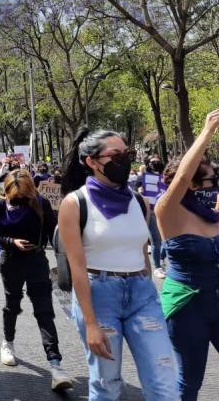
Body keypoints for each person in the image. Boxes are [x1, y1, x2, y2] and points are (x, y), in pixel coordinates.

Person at [58, 129, 179, 400]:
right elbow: (77, 267)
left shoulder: (140, 201)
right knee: (107, 385)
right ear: (92, 161)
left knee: (165, 382)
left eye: (127, 154)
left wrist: (148, 288)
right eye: (115, 155)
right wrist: (90, 323)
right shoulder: (75, 203)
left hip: (142, 295)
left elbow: (142, 253)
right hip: (99, 296)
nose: (123, 160)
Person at [0, 169, 72, 391]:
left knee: (44, 311)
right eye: (16, 198)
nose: (21, 201)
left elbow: (54, 232)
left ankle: (56, 365)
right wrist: (11, 241)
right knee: (12, 304)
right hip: (10, 261)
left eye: (25, 197)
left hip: (36, 261)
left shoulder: (41, 203)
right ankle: (8, 343)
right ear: (7, 192)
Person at [155, 110, 219, 401]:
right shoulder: (167, 212)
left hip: (216, 299)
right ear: (191, 185)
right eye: (207, 180)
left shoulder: (214, 213)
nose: (213, 186)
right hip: (186, 306)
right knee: (190, 381)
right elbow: (181, 177)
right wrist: (206, 133)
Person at [138, 155, 168, 279]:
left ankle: (160, 258)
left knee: (165, 240)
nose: (156, 163)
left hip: (165, 212)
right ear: (148, 163)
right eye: (153, 161)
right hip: (150, 212)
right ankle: (157, 267)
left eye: (158, 161)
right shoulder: (142, 178)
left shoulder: (165, 177)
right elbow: (136, 190)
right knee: (156, 240)